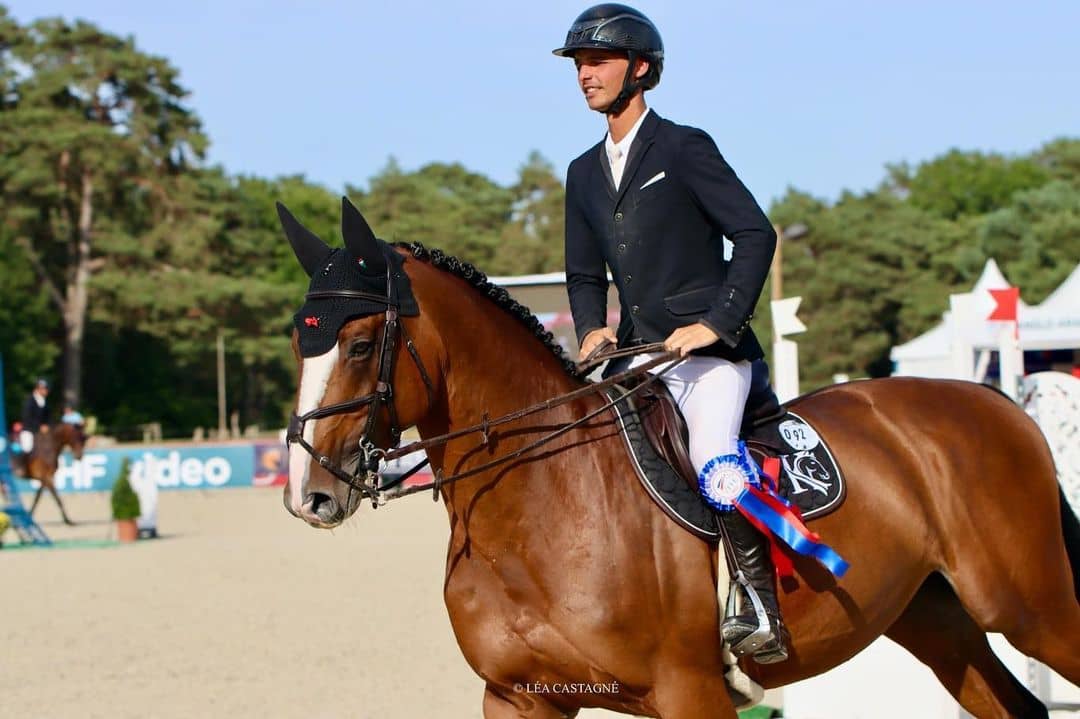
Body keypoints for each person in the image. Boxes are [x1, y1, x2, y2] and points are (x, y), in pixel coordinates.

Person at [555, 4, 787, 663]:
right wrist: (592, 326)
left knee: (715, 455)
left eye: (596, 61)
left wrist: (716, 321)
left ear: (641, 69)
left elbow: (754, 233)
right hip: (634, 357)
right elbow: (581, 271)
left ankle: (756, 600)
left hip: (707, 356)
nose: (584, 75)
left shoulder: (684, 147)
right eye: (578, 64)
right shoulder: (581, 171)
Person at [20, 378, 50, 454]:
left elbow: (47, 418)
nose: (46, 391)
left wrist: (46, 425)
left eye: (46, 389)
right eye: (44, 389)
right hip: (29, 430)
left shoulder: (44, 402)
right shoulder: (30, 400)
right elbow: (26, 417)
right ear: (38, 389)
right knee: (27, 448)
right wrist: (39, 426)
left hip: (41, 432)